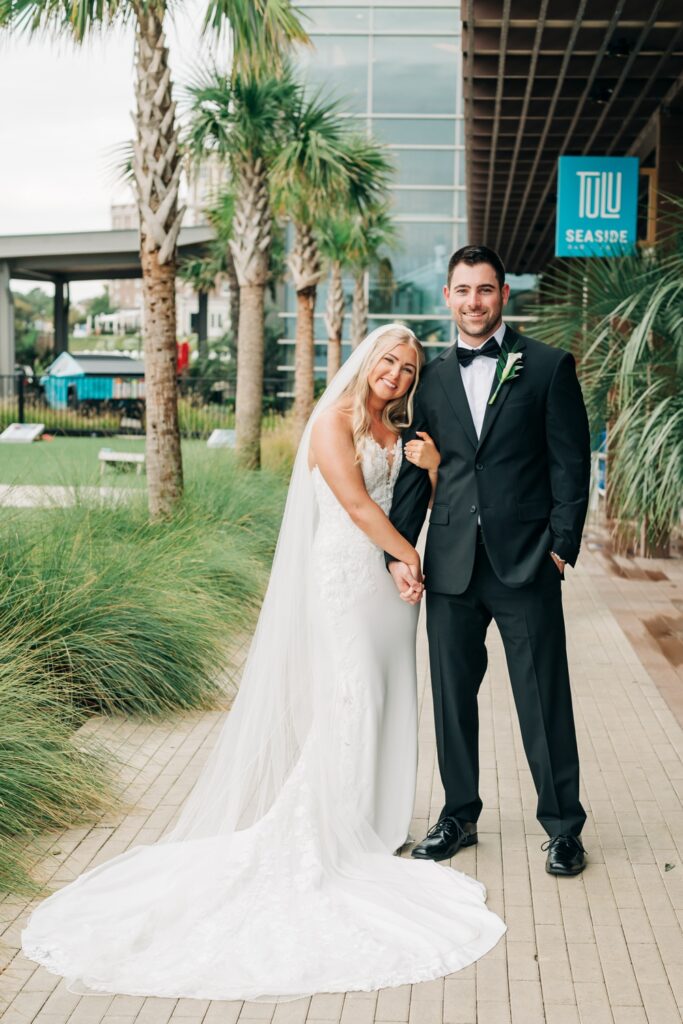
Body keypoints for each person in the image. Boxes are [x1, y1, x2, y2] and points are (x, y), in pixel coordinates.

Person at [22, 324, 505, 1001]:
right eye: (388, 362)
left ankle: (373, 818)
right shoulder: (333, 423)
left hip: (389, 588)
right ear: (367, 361)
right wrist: (407, 555)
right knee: (353, 695)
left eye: (408, 369)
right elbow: (358, 504)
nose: (396, 375)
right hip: (347, 575)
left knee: (390, 694)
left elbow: (414, 495)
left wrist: (426, 474)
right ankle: (330, 822)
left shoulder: (396, 425)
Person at [388, 247, 591, 877]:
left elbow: (571, 464)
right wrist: (397, 551)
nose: (474, 302)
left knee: (543, 697)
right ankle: (459, 813)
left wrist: (561, 548)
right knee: (451, 698)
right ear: (447, 297)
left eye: (484, 290)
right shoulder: (433, 378)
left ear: (503, 293)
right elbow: (417, 472)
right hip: (449, 564)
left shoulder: (549, 367)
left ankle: (563, 827)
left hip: (527, 562)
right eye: (462, 290)